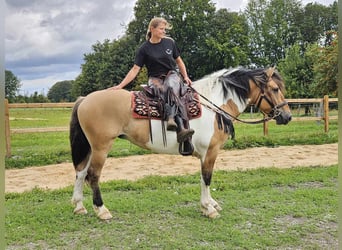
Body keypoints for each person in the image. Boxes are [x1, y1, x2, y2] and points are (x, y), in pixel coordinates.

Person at [111, 17, 194, 143]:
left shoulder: (170, 43)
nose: (164, 32)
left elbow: (179, 61)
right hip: (154, 78)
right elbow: (135, 69)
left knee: (171, 86)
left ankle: (176, 124)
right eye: (161, 29)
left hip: (171, 75)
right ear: (152, 29)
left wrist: (186, 76)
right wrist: (120, 85)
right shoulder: (144, 49)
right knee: (163, 89)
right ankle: (176, 125)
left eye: (164, 29)